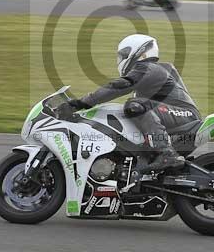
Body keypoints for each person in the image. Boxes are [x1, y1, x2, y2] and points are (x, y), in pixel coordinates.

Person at [65, 33, 201, 172]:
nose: (121, 59)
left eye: (123, 54)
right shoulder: (151, 72)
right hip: (172, 116)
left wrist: (80, 103)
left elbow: (120, 86)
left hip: (185, 115)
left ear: (140, 52)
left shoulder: (148, 68)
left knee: (134, 106)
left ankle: (166, 153)